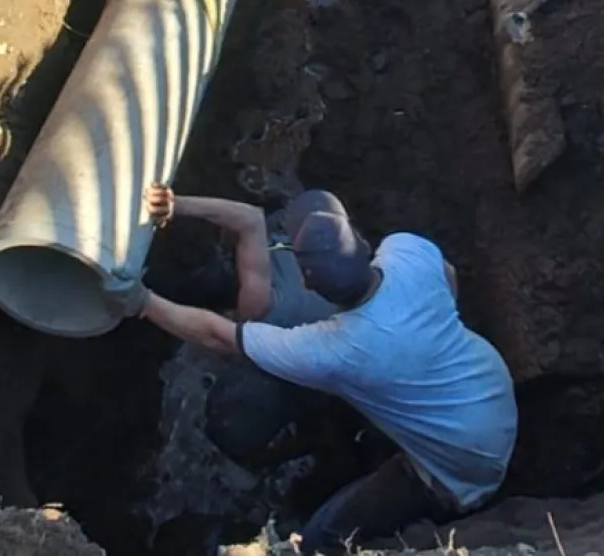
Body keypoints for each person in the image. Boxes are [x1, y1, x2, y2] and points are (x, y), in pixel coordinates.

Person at [118, 188, 517, 554]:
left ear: (310, 283)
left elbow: (218, 336)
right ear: (361, 242)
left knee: (321, 536)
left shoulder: (332, 349)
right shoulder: (405, 252)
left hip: (462, 468)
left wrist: (142, 301)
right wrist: (424, 343)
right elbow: (448, 275)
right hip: (492, 388)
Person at [141, 184, 354, 468]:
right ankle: (177, 287)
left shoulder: (266, 306)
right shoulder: (326, 246)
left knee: (232, 423)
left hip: (313, 375)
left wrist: (142, 302)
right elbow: (250, 219)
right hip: (297, 283)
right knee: (211, 280)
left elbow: (218, 338)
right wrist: (173, 204)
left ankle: (268, 457)